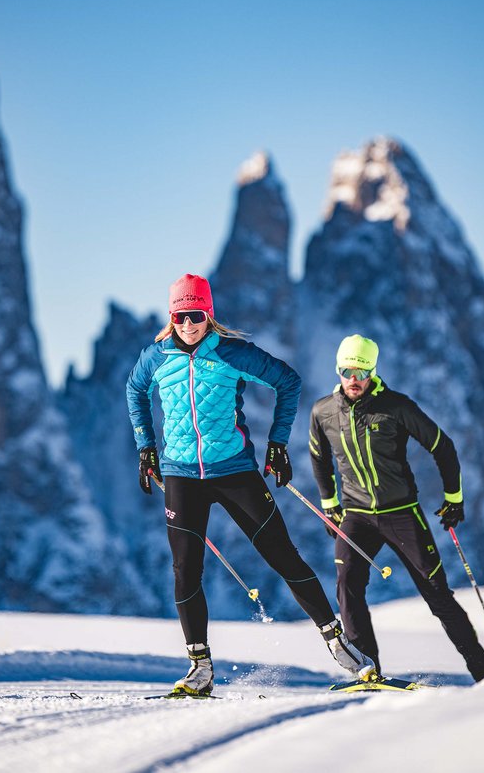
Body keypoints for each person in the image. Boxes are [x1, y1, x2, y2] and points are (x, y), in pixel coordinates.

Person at [126, 274, 375, 697]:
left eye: (197, 315)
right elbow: (135, 391)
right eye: (181, 316)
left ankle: (340, 645)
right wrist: (145, 446)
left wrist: (278, 443)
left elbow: (287, 381)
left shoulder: (231, 353)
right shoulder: (155, 358)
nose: (189, 324)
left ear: (209, 315)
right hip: (181, 476)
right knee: (186, 571)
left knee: (283, 556)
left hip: (235, 472)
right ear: (171, 317)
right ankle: (199, 667)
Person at [308, 334, 484, 682]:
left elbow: (443, 446)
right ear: (338, 370)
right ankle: (368, 671)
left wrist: (454, 497)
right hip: (356, 516)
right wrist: (329, 503)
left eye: (361, 372)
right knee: (347, 583)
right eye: (347, 370)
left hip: (401, 512)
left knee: (437, 595)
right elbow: (319, 458)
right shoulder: (323, 412)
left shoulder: (396, 406)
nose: (353, 379)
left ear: (373, 373)